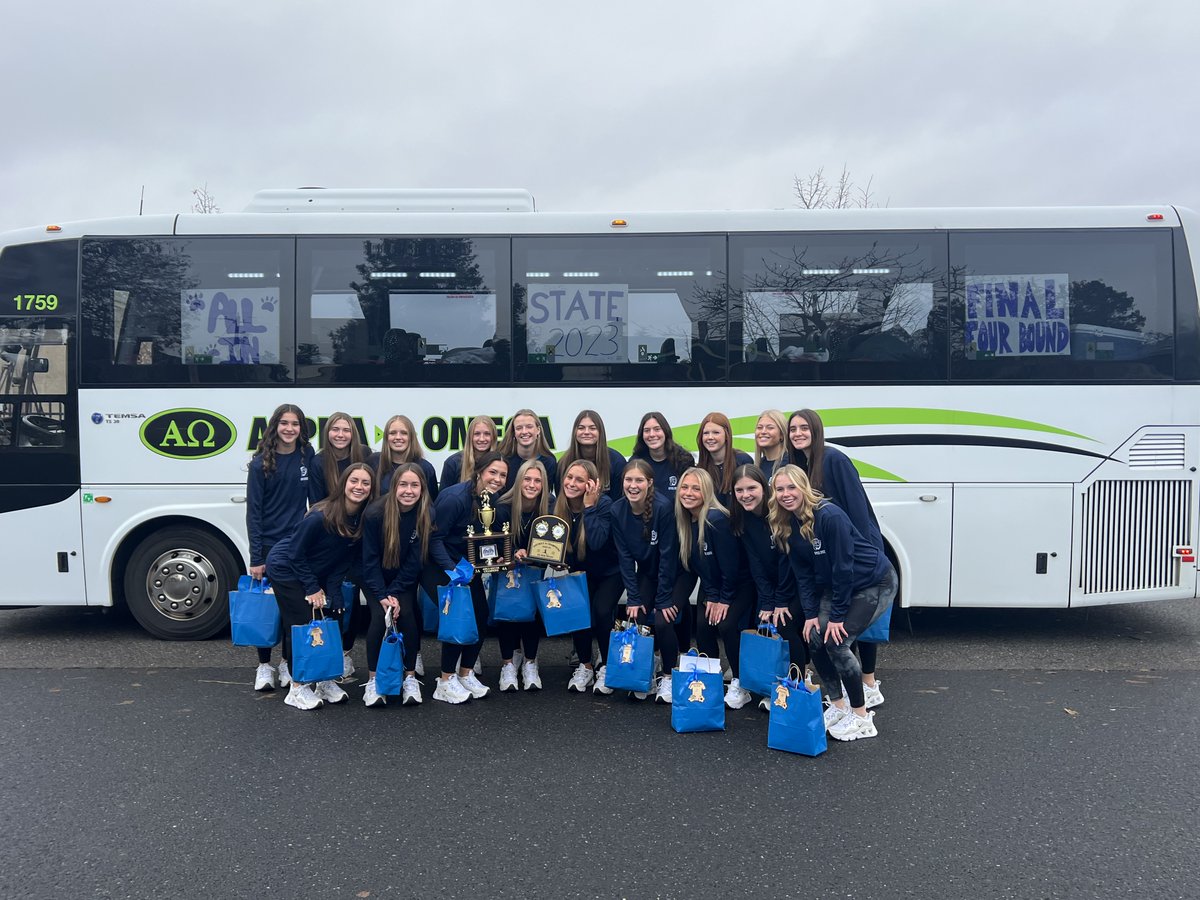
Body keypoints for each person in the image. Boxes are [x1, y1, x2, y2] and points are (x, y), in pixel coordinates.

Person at [768, 465, 897, 741]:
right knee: (814, 636)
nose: (786, 494)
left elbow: (844, 569)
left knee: (837, 642)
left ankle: (862, 717)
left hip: (874, 580)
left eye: (791, 487)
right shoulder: (785, 522)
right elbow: (803, 575)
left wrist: (837, 617)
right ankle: (838, 705)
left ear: (804, 487)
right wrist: (812, 614)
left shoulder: (830, 515)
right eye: (780, 489)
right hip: (836, 584)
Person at [788, 408, 886, 708]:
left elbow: (858, 509)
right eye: (793, 429)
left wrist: (861, 553)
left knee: (850, 627)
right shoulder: (797, 464)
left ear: (816, 431)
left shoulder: (834, 459)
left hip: (855, 552)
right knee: (831, 631)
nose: (798, 434)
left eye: (804, 428)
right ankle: (848, 691)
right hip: (827, 557)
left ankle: (867, 686)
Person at [266, 463, 375, 711]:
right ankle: (297, 687)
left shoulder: (361, 519)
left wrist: (334, 593)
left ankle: (324, 681)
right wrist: (312, 588)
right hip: (286, 569)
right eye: (354, 481)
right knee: (304, 622)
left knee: (331, 620)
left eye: (365, 483)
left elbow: (342, 560)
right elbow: (295, 554)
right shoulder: (320, 515)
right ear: (343, 484)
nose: (359, 487)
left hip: (317, 573)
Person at [421, 452, 510, 704]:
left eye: (503, 474)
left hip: (463, 567)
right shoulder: (454, 498)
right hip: (437, 565)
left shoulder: (489, 500)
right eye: (493, 472)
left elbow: (479, 538)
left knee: (480, 616)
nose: (498, 478)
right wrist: (452, 571)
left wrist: (494, 557)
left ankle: (465, 674)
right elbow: (434, 538)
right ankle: (445, 681)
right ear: (479, 471)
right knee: (459, 618)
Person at [246, 403, 313, 692]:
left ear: (302, 428)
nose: (290, 429)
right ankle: (264, 666)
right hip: (269, 546)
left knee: (293, 609)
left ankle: (287, 662)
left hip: (296, 545)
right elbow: (254, 513)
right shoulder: (260, 463)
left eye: (295, 424)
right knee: (265, 609)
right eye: (284, 423)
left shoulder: (306, 455)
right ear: (275, 427)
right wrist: (256, 557)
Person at [729, 464, 809, 707]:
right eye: (739, 490)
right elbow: (757, 566)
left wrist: (780, 601)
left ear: (764, 488)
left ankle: (798, 685)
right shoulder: (743, 519)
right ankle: (773, 684)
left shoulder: (778, 514)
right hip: (771, 588)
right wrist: (766, 601)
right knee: (764, 626)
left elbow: (788, 562)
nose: (746, 495)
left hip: (795, 585)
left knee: (784, 626)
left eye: (751, 488)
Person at [675, 467, 754, 709]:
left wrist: (723, 599)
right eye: (685, 487)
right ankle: (711, 680)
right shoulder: (686, 520)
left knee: (727, 625)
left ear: (706, 492)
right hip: (713, 586)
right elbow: (701, 566)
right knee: (702, 626)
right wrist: (710, 595)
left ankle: (742, 683)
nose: (688, 493)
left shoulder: (718, 520)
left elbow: (730, 568)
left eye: (695, 488)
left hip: (739, 584)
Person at [360, 462, 432, 708]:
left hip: (402, 580)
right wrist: (382, 595)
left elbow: (414, 563)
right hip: (374, 578)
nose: (408, 491)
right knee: (381, 618)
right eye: (403, 484)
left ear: (422, 489)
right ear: (394, 486)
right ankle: (373, 680)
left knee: (408, 616)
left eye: (415, 485)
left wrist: (395, 592)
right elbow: (368, 561)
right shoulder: (374, 514)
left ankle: (409, 678)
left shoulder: (425, 513)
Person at [611, 459, 681, 703]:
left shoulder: (663, 508)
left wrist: (662, 599)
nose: (633, 485)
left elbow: (668, 556)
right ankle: (645, 675)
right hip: (648, 573)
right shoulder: (617, 510)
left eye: (639, 480)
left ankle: (669, 677)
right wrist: (633, 597)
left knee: (662, 621)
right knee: (636, 619)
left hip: (674, 572)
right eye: (628, 480)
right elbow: (625, 558)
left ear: (650, 483)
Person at [309, 412, 370, 681]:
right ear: (328, 433)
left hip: (358, 537)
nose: (341, 434)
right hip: (332, 538)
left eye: (346, 429)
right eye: (336, 429)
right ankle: (328, 656)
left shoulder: (365, 455)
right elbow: (317, 502)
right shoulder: (319, 461)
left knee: (352, 598)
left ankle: (346, 654)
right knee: (333, 599)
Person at [554, 460, 622, 694]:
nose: (571, 483)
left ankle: (608, 667)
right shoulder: (559, 506)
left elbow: (596, 541)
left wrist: (590, 506)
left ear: (591, 484)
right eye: (569, 477)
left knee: (602, 612)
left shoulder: (604, 505)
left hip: (610, 573)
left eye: (579, 480)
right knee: (578, 613)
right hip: (581, 573)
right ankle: (585, 665)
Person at [497, 459, 551, 692]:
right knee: (507, 614)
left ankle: (530, 662)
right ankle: (507, 664)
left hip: (535, 568)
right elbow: (495, 545)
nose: (531, 484)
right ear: (518, 481)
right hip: (507, 569)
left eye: (537, 480)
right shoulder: (502, 507)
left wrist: (533, 555)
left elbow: (552, 547)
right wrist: (512, 553)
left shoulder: (549, 507)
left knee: (532, 615)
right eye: (527, 479)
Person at [558, 410, 626, 501]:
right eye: (581, 428)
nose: (586, 432)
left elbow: (619, 502)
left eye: (592, 428)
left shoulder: (617, 461)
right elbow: (561, 499)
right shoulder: (564, 462)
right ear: (575, 431)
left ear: (600, 432)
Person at [370, 414, 439, 502]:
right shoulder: (374, 462)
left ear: (411, 437)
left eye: (404, 433)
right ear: (386, 437)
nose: (398, 437)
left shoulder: (425, 468)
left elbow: (431, 503)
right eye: (392, 433)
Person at [630, 411, 694, 501]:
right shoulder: (636, 462)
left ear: (665, 431)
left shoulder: (684, 460)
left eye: (657, 429)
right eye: (647, 430)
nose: (652, 434)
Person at [696, 412, 753, 508]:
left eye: (716, 432)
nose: (710, 437)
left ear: (727, 435)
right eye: (706, 433)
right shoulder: (701, 467)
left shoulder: (743, 461)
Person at [497, 408, 558, 492]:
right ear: (514, 433)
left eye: (529, 427)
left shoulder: (549, 462)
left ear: (538, 430)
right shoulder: (503, 460)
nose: (524, 431)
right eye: (519, 428)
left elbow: (546, 496)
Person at [440, 415, 499, 492]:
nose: (482, 439)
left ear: (493, 437)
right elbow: (444, 497)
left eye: (487, 434)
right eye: (477, 434)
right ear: (470, 437)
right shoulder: (453, 463)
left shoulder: (501, 462)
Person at [753, 409, 789, 484]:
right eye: (759, 427)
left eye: (770, 428)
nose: (763, 432)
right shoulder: (758, 465)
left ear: (782, 435)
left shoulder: (790, 462)